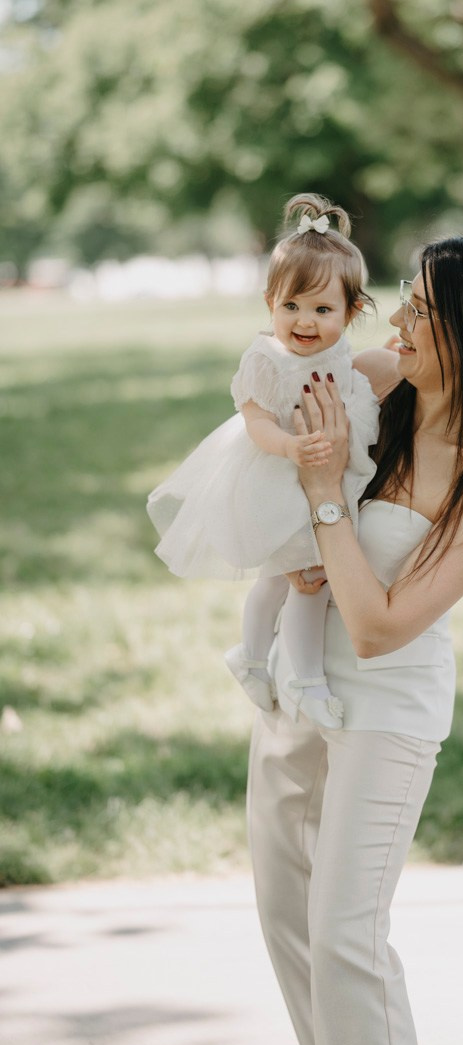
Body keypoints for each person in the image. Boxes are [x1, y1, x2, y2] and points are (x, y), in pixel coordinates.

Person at [247, 236, 463, 1045]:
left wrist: (325, 504)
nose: (397, 317)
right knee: (286, 916)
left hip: (387, 711)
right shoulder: (373, 393)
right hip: (300, 685)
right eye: (405, 296)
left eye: (421, 309)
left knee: (344, 933)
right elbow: (264, 415)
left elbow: (381, 627)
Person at [146, 193, 383, 728]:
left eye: (323, 310)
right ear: (269, 303)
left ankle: (281, 669)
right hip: (276, 478)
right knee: (288, 579)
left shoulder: (340, 354)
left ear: (352, 312)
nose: (304, 321)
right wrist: (290, 446)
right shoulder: (265, 360)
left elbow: (355, 395)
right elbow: (254, 423)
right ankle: (273, 665)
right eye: (291, 306)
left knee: (303, 583)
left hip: (325, 478)